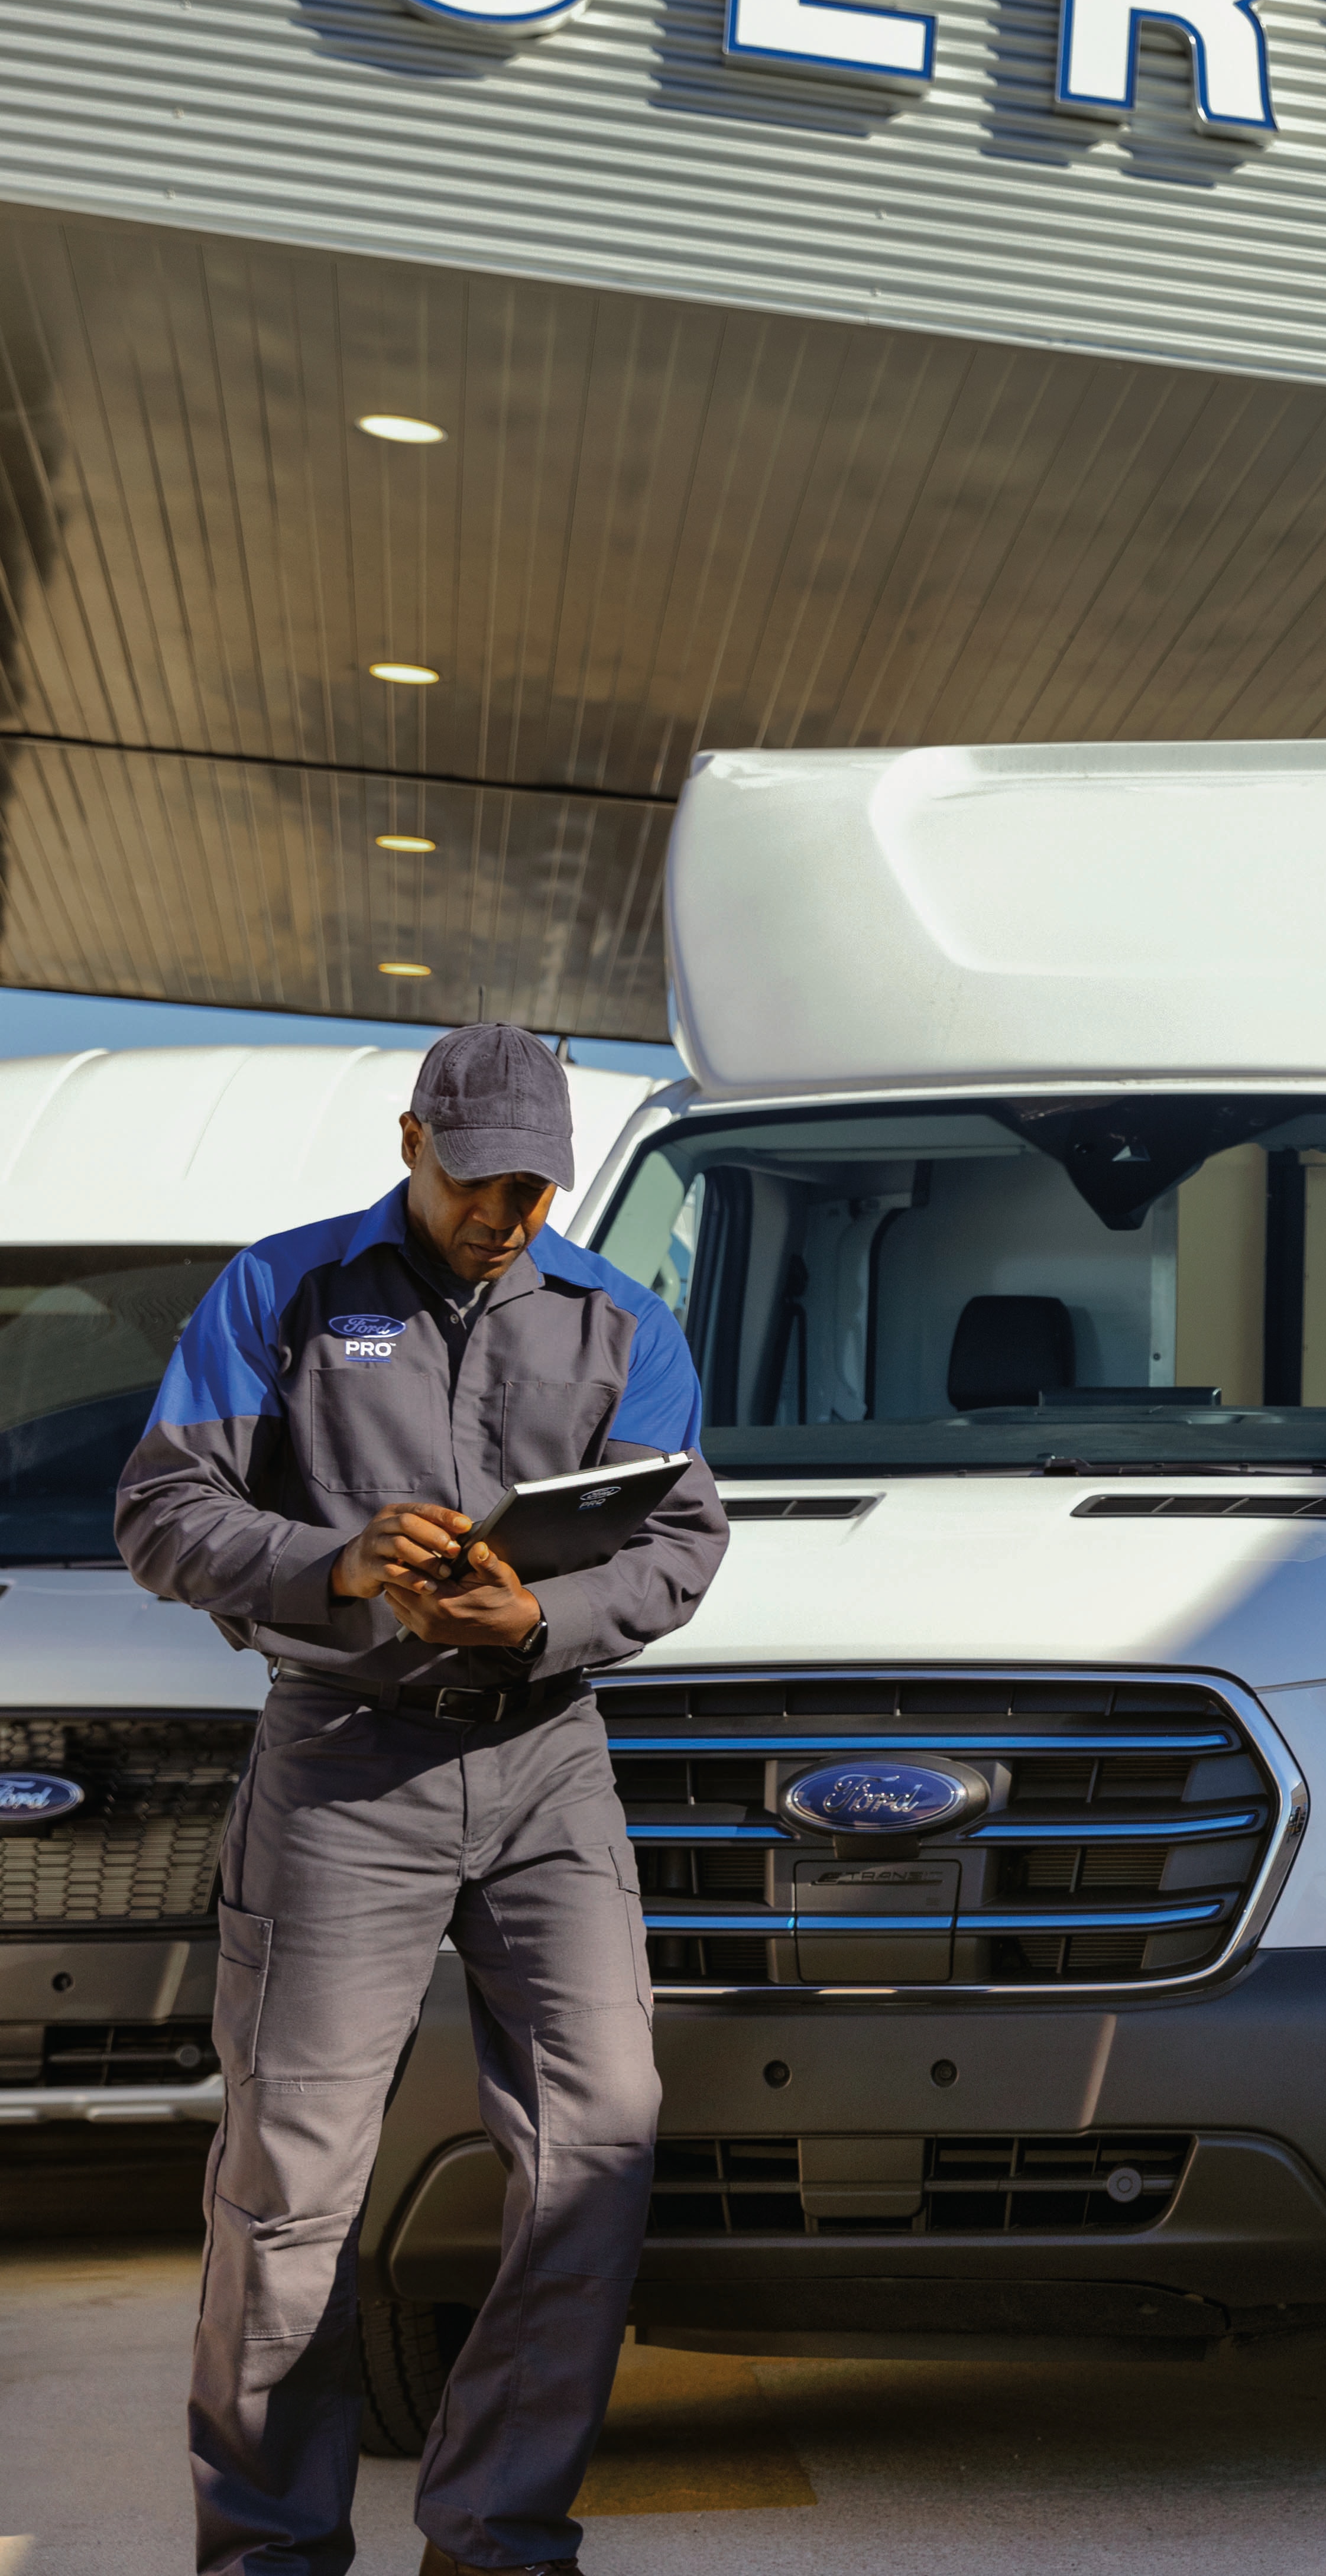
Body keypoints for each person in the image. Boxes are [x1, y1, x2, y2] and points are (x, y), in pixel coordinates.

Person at [116, 1023, 729, 2576]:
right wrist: (331, 1562)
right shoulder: (285, 1293)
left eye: (534, 1186)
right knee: (291, 2186)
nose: (505, 1212)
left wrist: (538, 1621)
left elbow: (678, 1546)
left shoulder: (620, 1323)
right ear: (411, 1142)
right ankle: (268, 2551)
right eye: (477, 1180)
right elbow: (163, 1511)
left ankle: (497, 2540)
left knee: (602, 2146)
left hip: (546, 1767)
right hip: (342, 1767)